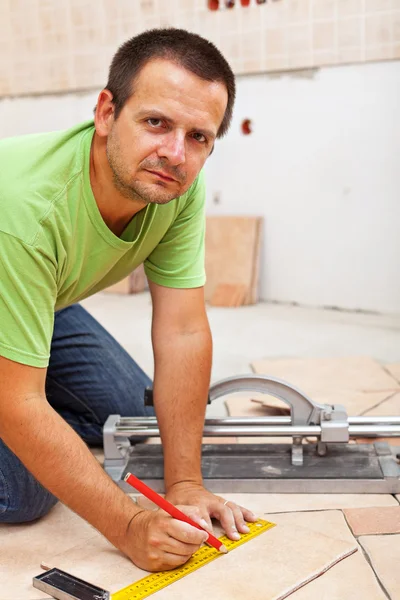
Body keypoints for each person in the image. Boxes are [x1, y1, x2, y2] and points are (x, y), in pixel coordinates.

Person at [0, 28, 256, 572]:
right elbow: (18, 406)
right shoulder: (24, 210)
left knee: (131, 413)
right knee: (25, 490)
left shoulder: (176, 188)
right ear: (106, 113)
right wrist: (129, 524)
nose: (174, 153)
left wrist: (185, 482)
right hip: (9, 253)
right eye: (156, 122)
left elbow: (183, 329)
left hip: (38, 298)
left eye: (198, 137)